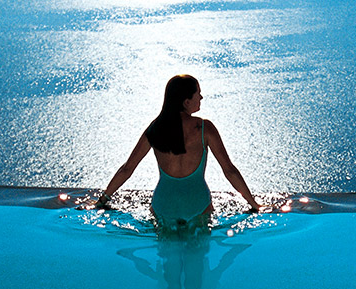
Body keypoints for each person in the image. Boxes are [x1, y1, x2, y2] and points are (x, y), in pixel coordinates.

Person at [96, 75, 260, 228]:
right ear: (186, 101)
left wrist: (102, 200)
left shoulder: (156, 128)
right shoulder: (204, 128)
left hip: (164, 205)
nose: (201, 98)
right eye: (198, 93)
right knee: (199, 256)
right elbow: (229, 170)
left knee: (165, 255)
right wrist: (254, 205)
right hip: (197, 204)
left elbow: (127, 169)